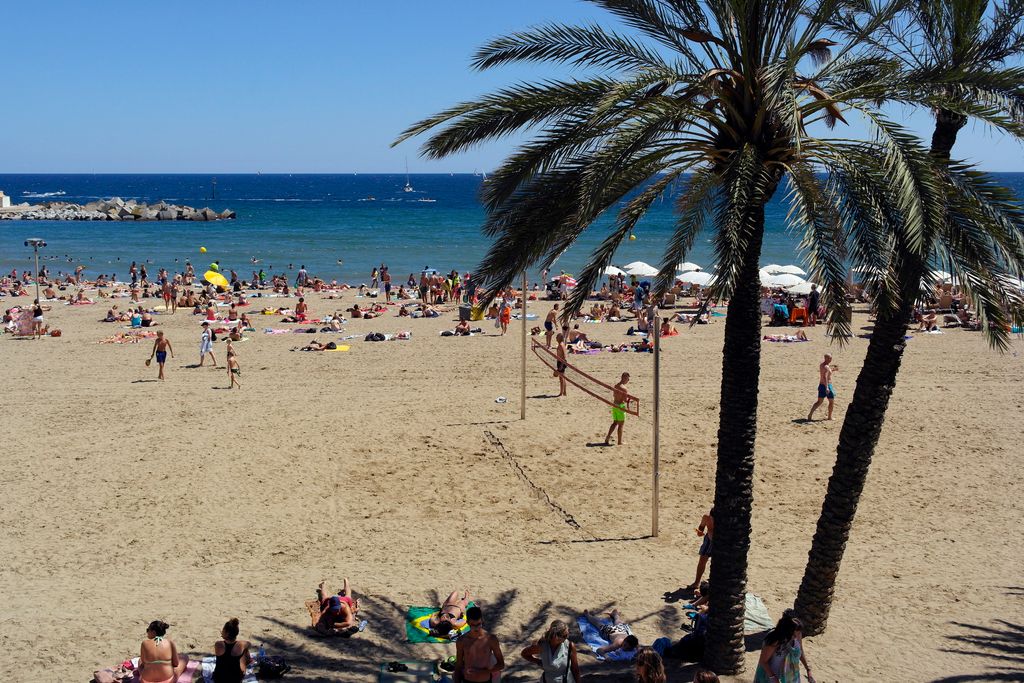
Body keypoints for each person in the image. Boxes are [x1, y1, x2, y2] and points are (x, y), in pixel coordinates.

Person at [754, 610, 815, 683]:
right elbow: (763, 662)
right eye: (793, 634)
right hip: (773, 678)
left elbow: (800, 651)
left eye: (798, 633)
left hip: (792, 677)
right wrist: (773, 678)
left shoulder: (797, 632)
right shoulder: (774, 640)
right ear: (785, 629)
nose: (796, 637)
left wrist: (808, 670)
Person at [455, 605, 505, 683]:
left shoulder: (490, 639)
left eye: (478, 624)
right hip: (467, 680)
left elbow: (501, 664)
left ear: (482, 621)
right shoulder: (461, 641)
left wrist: (483, 672)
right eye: (473, 625)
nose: (476, 628)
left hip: (485, 680)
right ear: (468, 623)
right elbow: (458, 666)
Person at [212, 617, 251, 683]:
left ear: (227, 633)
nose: (221, 632)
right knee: (245, 650)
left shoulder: (218, 644)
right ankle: (248, 661)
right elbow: (249, 644)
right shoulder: (240, 645)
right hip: (236, 679)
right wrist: (241, 644)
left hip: (219, 679)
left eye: (223, 630)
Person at [685, 508, 714, 591]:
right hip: (708, 540)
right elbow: (700, 530)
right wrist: (700, 533)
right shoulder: (706, 517)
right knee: (702, 561)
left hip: (719, 542)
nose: (712, 520)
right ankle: (696, 583)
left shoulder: (723, 519)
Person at [807, 354, 836, 421]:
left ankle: (810, 415)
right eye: (829, 358)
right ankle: (829, 417)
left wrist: (832, 370)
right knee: (831, 401)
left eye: (831, 358)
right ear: (826, 358)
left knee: (819, 402)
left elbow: (825, 373)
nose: (830, 360)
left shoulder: (822, 365)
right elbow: (825, 377)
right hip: (827, 385)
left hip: (821, 385)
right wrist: (827, 388)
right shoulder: (826, 367)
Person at [604, 372, 630, 446]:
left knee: (614, 423)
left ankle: (607, 438)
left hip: (614, 405)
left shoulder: (616, 386)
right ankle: (619, 442)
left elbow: (614, 395)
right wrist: (628, 400)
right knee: (621, 425)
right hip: (620, 406)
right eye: (627, 379)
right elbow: (624, 400)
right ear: (624, 378)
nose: (628, 380)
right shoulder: (624, 388)